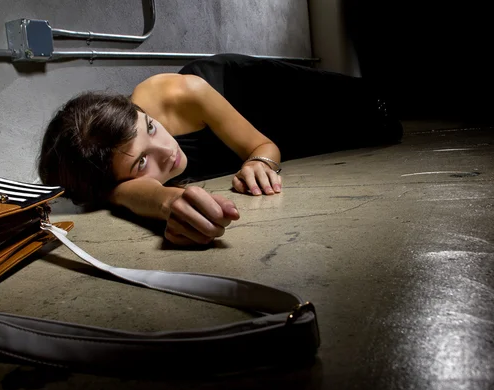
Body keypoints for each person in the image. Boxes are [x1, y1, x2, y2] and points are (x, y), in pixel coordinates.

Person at [37, 53, 402, 246]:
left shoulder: (181, 93)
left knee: (375, 114)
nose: (166, 150)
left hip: (255, 93)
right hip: (247, 139)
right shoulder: (105, 176)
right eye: (143, 161)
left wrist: (260, 160)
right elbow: (122, 193)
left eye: (149, 127)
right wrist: (167, 205)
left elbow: (262, 144)